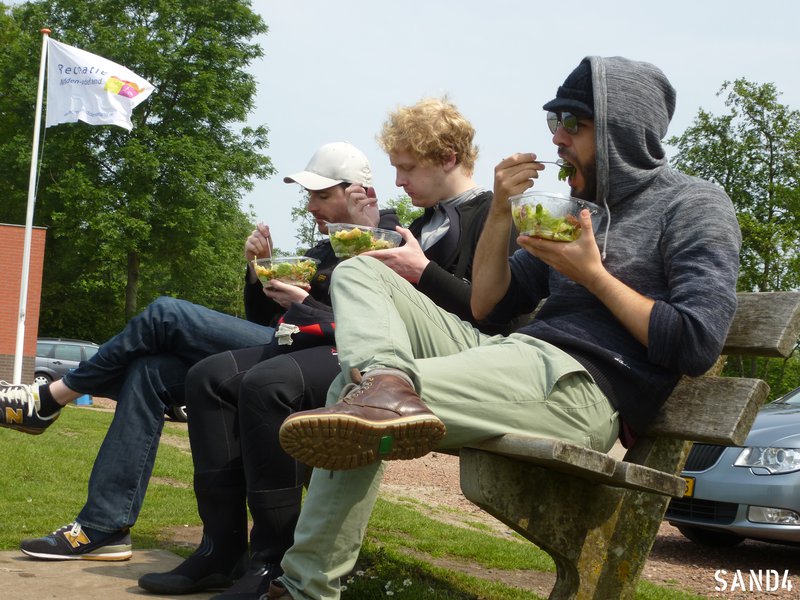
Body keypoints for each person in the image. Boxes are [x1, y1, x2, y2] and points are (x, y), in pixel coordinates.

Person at [266, 56, 743, 599]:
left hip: (581, 388)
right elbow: (488, 304)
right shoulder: (574, 209)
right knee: (359, 272)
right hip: (515, 354)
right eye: (554, 121)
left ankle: (304, 588)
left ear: (622, 131)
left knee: (350, 397)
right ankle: (384, 382)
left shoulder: (693, 204)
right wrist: (499, 213)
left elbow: (696, 343)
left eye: (573, 123)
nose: (557, 137)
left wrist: (593, 276)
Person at [137, 97, 518, 599]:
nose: (398, 181)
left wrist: (421, 271)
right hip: (368, 348)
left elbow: (491, 315)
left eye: (406, 168)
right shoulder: (421, 224)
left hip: (427, 362)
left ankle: (273, 561)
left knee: (268, 383)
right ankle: (221, 549)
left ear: (448, 157)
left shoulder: (493, 218)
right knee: (207, 378)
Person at [0, 141, 388, 562]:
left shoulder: (387, 240)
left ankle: (52, 397)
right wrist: (259, 272)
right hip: (280, 349)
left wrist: (306, 302)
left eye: (322, 195)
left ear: (360, 193)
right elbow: (268, 322)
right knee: (149, 370)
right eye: (309, 195)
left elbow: (373, 325)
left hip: (323, 365)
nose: (311, 206)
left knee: (166, 314)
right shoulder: (322, 249)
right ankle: (104, 525)